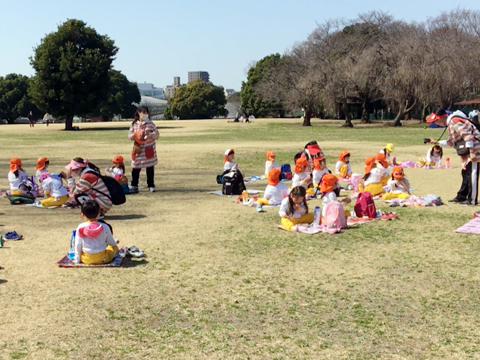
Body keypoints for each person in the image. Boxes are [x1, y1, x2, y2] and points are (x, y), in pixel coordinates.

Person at [427, 108, 480, 205]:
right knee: (465, 173)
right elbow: (451, 142)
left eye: (436, 121)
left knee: (472, 173)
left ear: (440, 119)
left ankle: (472, 200)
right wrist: (437, 142)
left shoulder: (454, 121)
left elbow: (468, 136)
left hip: (475, 149)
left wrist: (472, 152)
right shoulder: (451, 124)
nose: (437, 124)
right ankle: (462, 196)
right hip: (467, 151)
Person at [74, 201, 119, 265]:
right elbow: (111, 243)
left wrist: (77, 260)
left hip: (86, 259)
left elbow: (78, 245)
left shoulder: (80, 227)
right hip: (103, 259)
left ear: (82, 215)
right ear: (98, 213)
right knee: (114, 247)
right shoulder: (104, 226)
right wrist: (115, 242)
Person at [128, 106, 159, 193]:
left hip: (148, 148)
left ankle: (151, 185)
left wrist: (151, 135)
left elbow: (156, 134)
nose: (145, 114)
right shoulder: (134, 124)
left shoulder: (151, 124)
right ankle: (134, 185)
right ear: (139, 113)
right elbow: (129, 135)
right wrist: (134, 135)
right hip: (138, 149)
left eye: (146, 112)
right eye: (143, 112)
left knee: (150, 168)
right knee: (136, 168)